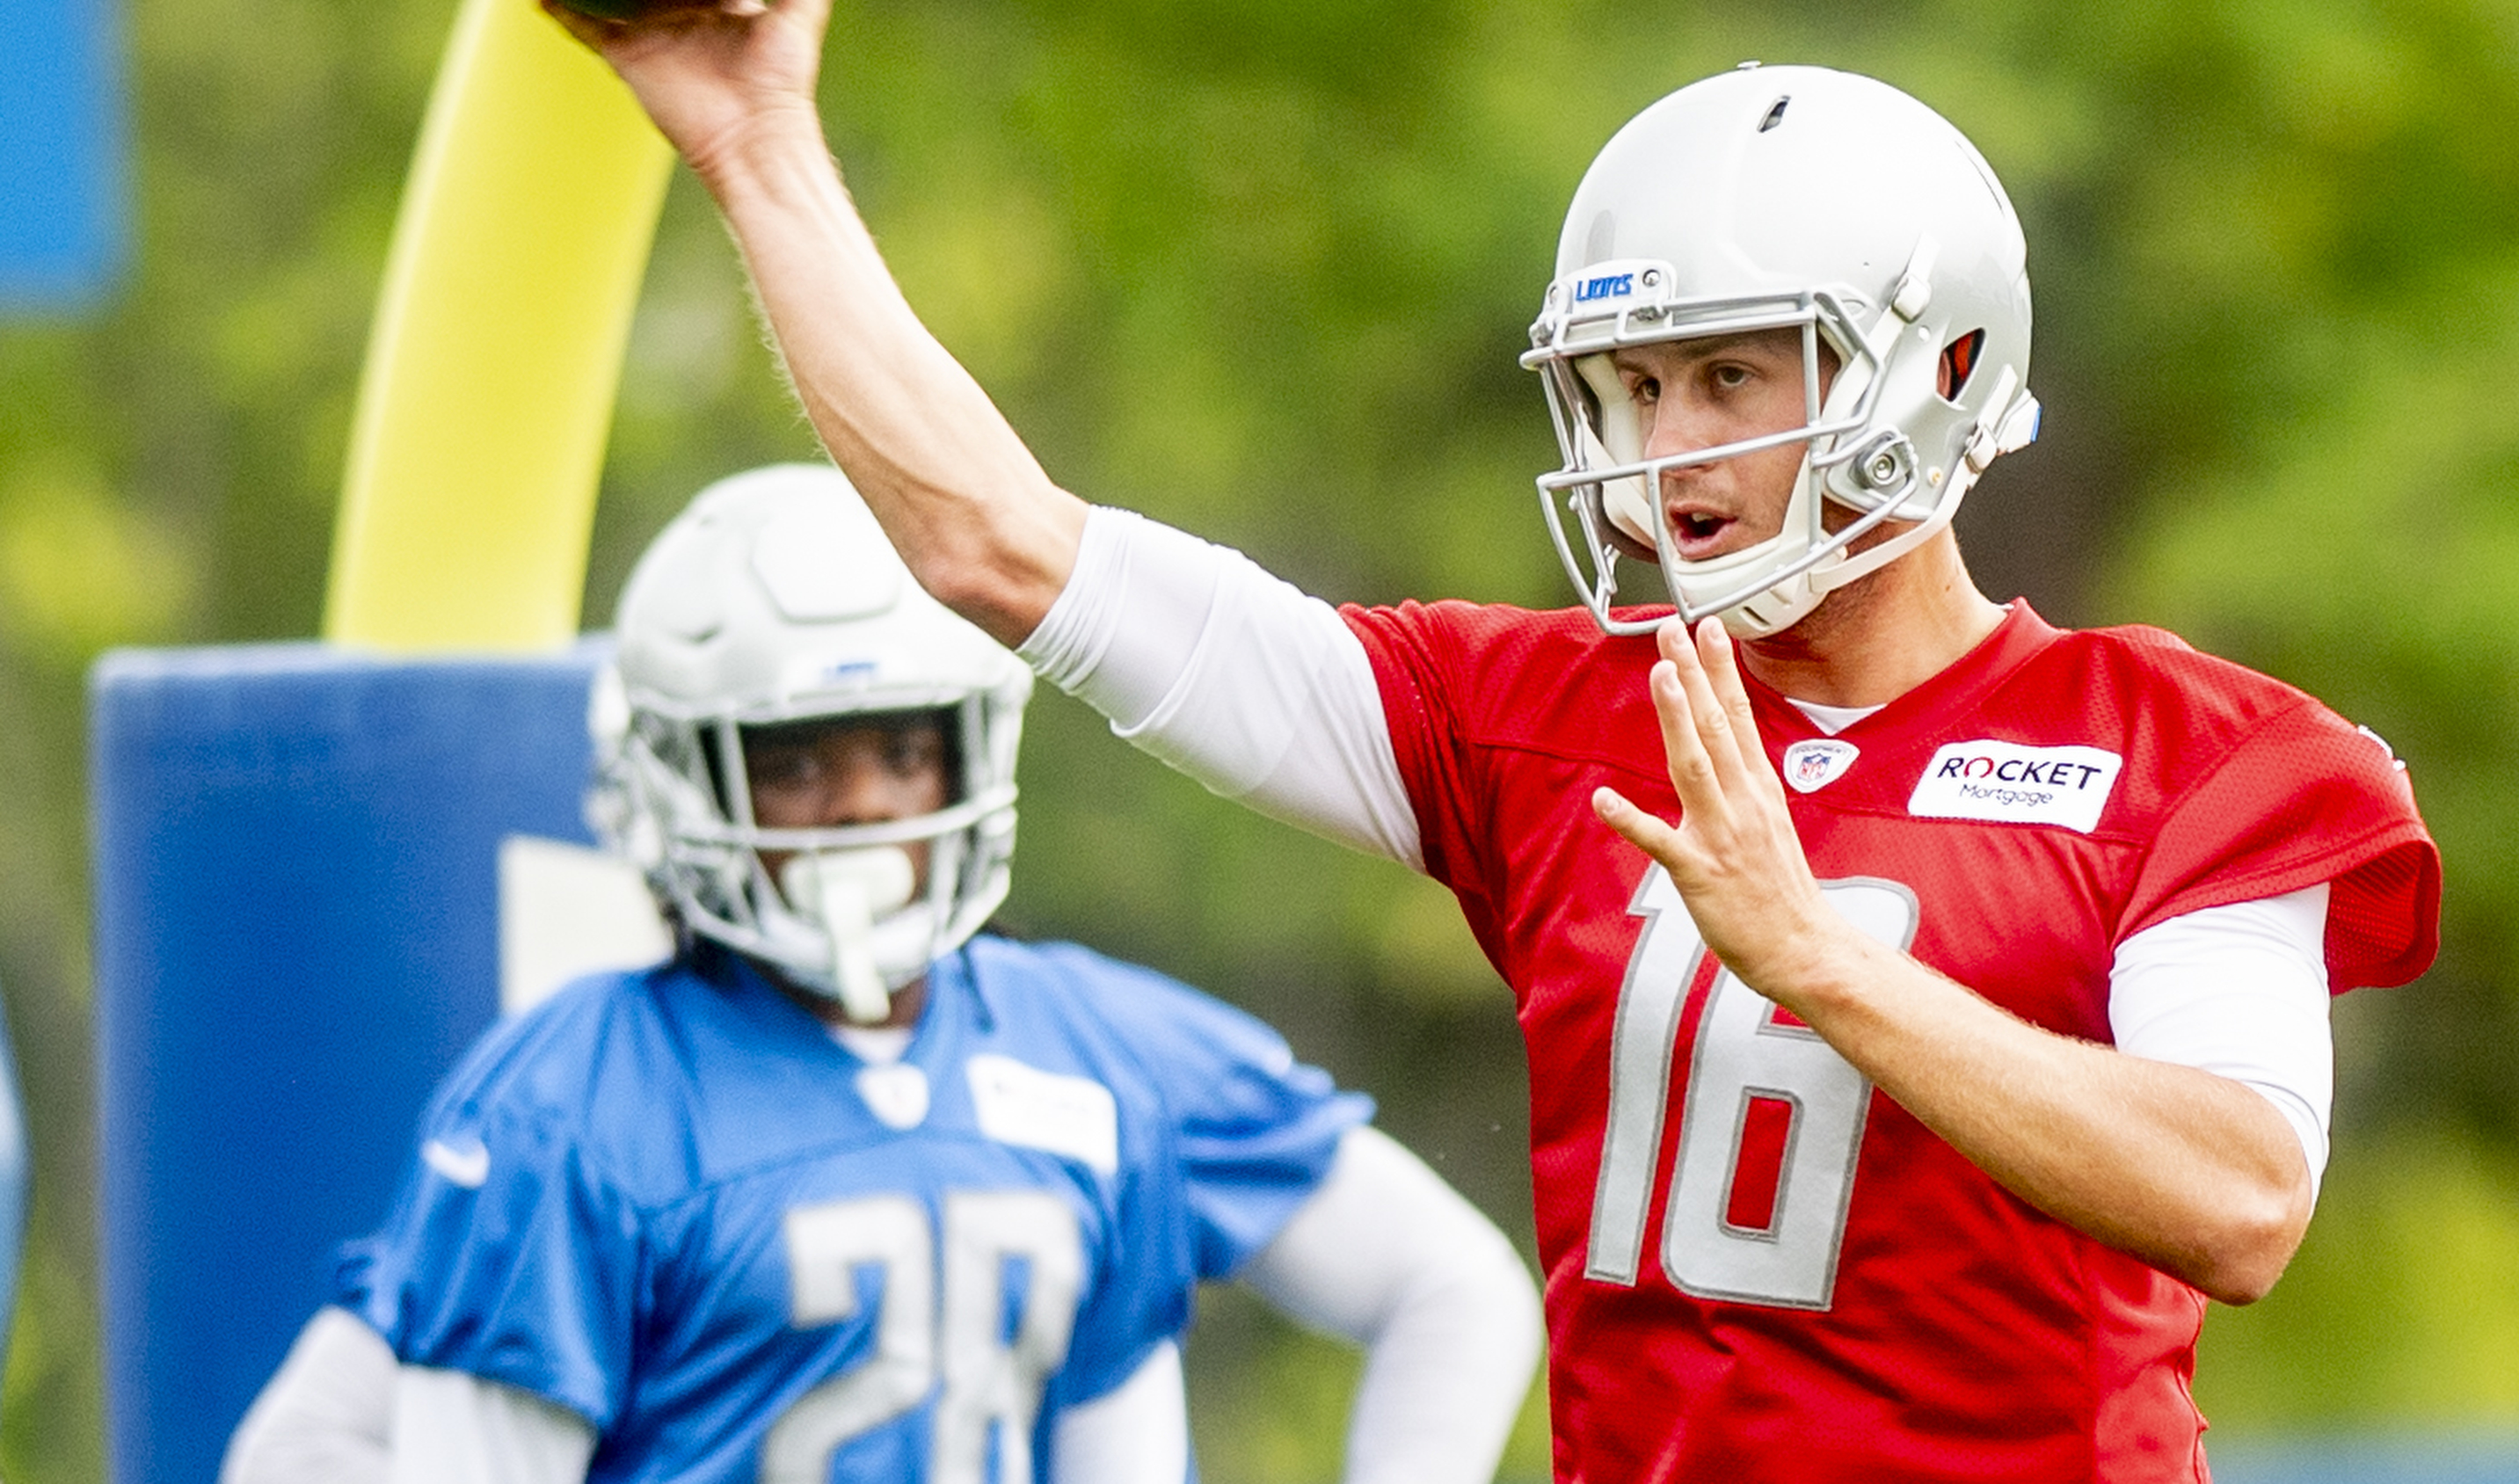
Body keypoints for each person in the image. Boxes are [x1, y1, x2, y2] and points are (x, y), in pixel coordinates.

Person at [550, 0, 2443, 1483]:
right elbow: (1000, 547)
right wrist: (756, 148)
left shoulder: (2180, 754)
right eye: (1630, 388)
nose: (1664, 448)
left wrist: (1825, 956)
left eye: (1727, 377)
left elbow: (2240, 1197)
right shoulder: (1539, 716)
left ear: (1935, 366)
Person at [219, 465, 1542, 1484]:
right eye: (798, 762)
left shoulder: (1099, 1045)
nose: (862, 809)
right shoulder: (571, 1103)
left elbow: (1456, 1288)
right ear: (686, 778)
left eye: (901, 753)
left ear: (969, 755)